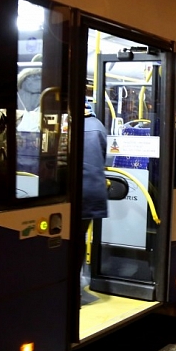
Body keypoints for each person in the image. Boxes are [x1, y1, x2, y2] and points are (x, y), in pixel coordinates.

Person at [81, 98, 108, 305]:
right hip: (91, 191)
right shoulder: (97, 126)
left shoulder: (69, 125)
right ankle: (77, 288)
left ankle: (74, 290)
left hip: (75, 192)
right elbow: (102, 157)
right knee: (79, 239)